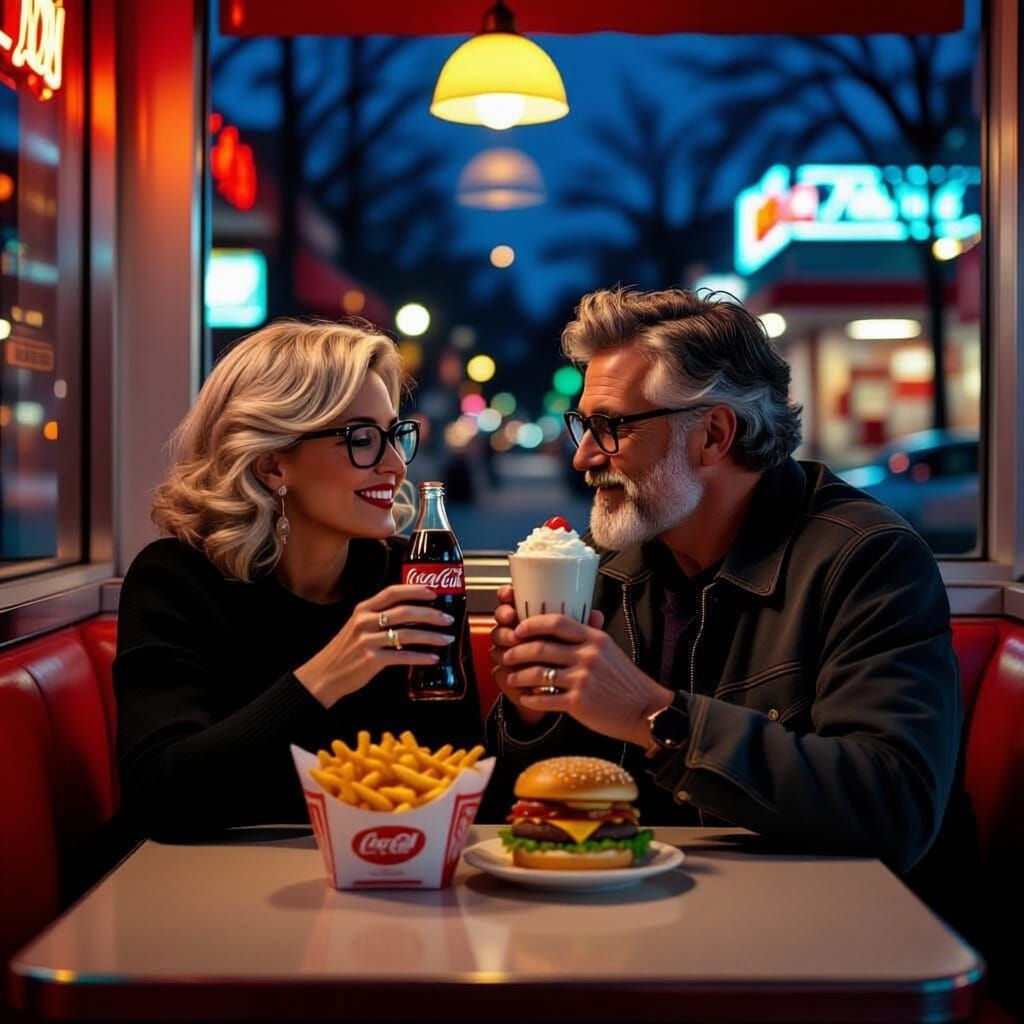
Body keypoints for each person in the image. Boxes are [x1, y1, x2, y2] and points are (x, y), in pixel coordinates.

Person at [487, 288, 975, 914]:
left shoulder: (867, 559)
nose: (584, 456)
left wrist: (654, 717)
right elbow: (517, 823)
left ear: (714, 434)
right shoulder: (602, 565)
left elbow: (895, 808)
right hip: (642, 919)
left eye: (612, 427)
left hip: (829, 936)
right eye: (584, 424)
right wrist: (536, 712)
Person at [115, 320, 481, 839]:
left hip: (381, 883)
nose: (396, 466)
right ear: (271, 466)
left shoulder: (412, 575)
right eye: (361, 440)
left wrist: (527, 713)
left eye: (395, 435)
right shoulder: (176, 580)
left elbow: (462, 789)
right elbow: (158, 796)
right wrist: (328, 674)